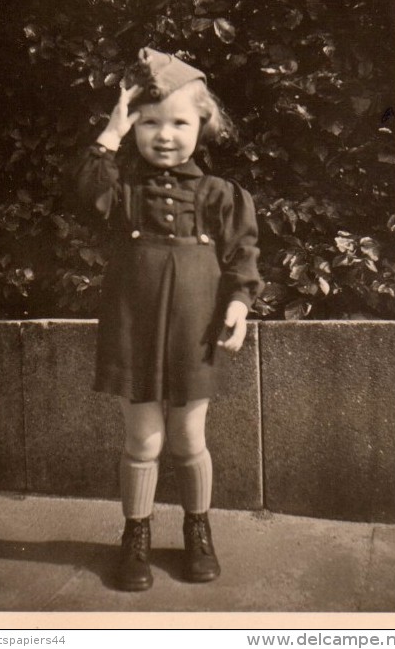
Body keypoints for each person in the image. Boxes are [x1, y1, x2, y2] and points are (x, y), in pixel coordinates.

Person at [70, 47, 262, 591]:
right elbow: (84, 194)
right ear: (133, 128)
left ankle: (198, 530)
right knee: (144, 441)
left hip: (193, 333)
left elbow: (243, 260)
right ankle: (136, 535)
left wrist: (239, 306)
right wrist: (110, 130)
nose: (165, 134)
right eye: (148, 122)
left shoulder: (221, 195)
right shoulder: (123, 191)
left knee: (188, 438)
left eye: (179, 121)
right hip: (134, 330)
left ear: (204, 122)